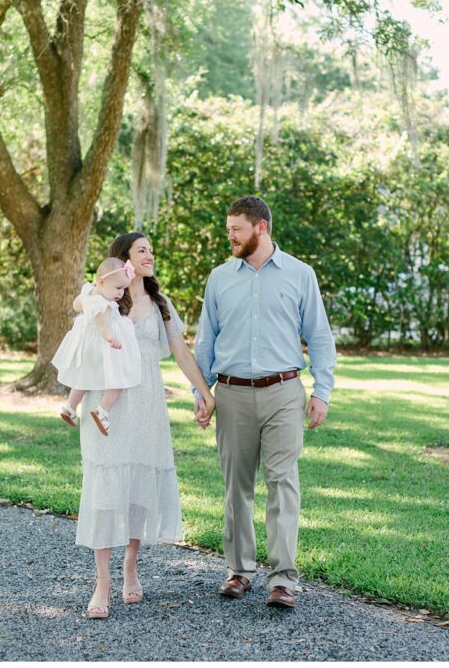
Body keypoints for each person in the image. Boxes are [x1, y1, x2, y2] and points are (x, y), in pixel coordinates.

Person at [193, 195, 336, 610]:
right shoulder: (219, 277)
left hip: (283, 393)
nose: (230, 236)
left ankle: (283, 580)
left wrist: (322, 391)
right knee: (236, 486)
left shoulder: (300, 274)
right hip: (232, 394)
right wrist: (202, 394)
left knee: (282, 483)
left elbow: (320, 337)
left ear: (262, 228)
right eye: (228, 230)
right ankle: (239, 570)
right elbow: (206, 341)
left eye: (236, 229)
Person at [74, 232, 216, 619]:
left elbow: (181, 352)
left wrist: (205, 392)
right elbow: (81, 328)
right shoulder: (102, 296)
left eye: (152, 250)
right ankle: (102, 580)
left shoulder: (161, 303)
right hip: (106, 404)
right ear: (124, 259)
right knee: (105, 487)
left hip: (148, 404)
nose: (150, 255)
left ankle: (130, 567)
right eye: (142, 250)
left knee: (138, 485)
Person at [52, 257, 140, 436]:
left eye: (124, 288)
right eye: (118, 288)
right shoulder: (104, 305)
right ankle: (103, 411)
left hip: (87, 346)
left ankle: (69, 407)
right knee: (119, 380)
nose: (121, 293)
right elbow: (104, 327)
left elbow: (76, 305)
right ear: (101, 281)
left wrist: (84, 300)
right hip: (104, 346)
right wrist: (112, 339)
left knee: (84, 378)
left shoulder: (89, 291)